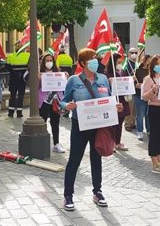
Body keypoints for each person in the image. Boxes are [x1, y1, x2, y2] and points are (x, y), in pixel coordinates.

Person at [60, 48, 123, 211]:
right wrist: (66, 105)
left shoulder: (103, 79)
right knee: (74, 159)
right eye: (91, 59)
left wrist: (115, 107)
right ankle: (68, 195)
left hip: (99, 126)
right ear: (82, 63)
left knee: (97, 159)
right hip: (80, 125)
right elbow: (63, 100)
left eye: (95, 58)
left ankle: (98, 192)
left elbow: (108, 99)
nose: (95, 61)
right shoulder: (74, 80)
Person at [39, 53, 66, 153]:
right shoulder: (40, 73)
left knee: (55, 123)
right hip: (44, 101)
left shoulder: (58, 72)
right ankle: (41, 143)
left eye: (51, 60)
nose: (49, 62)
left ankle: (56, 143)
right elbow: (35, 86)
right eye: (47, 61)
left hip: (55, 101)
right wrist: (38, 77)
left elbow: (63, 86)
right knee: (42, 122)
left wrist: (65, 76)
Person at [105, 53, 130, 152]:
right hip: (113, 101)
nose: (120, 64)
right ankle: (111, 143)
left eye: (121, 62)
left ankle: (117, 142)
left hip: (122, 100)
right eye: (118, 62)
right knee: (112, 123)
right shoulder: (107, 74)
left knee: (120, 122)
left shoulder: (123, 72)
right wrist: (109, 81)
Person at [133, 55, 151, 140]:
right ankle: (140, 131)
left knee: (148, 114)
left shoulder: (152, 71)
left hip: (150, 96)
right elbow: (132, 83)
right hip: (139, 95)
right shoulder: (137, 71)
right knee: (140, 115)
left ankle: (149, 130)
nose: (150, 62)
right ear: (144, 61)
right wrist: (135, 84)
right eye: (148, 60)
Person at [6, 51, 28, 118]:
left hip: (14, 79)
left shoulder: (11, 55)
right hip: (21, 79)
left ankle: (12, 112)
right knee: (19, 96)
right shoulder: (27, 55)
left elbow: (7, 67)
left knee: (13, 96)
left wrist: (14, 73)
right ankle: (18, 113)